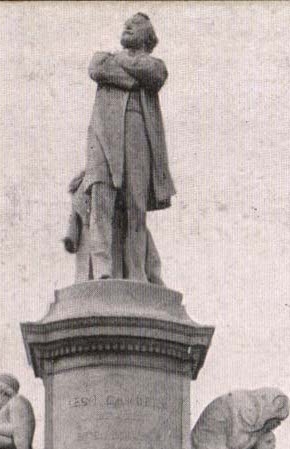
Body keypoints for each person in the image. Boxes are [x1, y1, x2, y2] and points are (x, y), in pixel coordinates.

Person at [83, 13, 175, 281]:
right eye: (126, 25)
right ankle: (102, 269)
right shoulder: (103, 58)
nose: (127, 27)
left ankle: (136, 273)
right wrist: (133, 74)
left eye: (134, 26)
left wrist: (122, 64)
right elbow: (97, 68)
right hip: (103, 136)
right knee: (101, 195)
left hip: (138, 133)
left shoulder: (154, 65)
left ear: (147, 37)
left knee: (136, 205)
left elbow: (154, 73)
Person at [64, 169, 163, 283]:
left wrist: (71, 238)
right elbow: (75, 218)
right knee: (103, 271)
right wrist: (71, 238)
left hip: (107, 233)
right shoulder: (105, 183)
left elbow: (74, 220)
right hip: (103, 234)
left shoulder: (88, 188)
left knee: (101, 272)